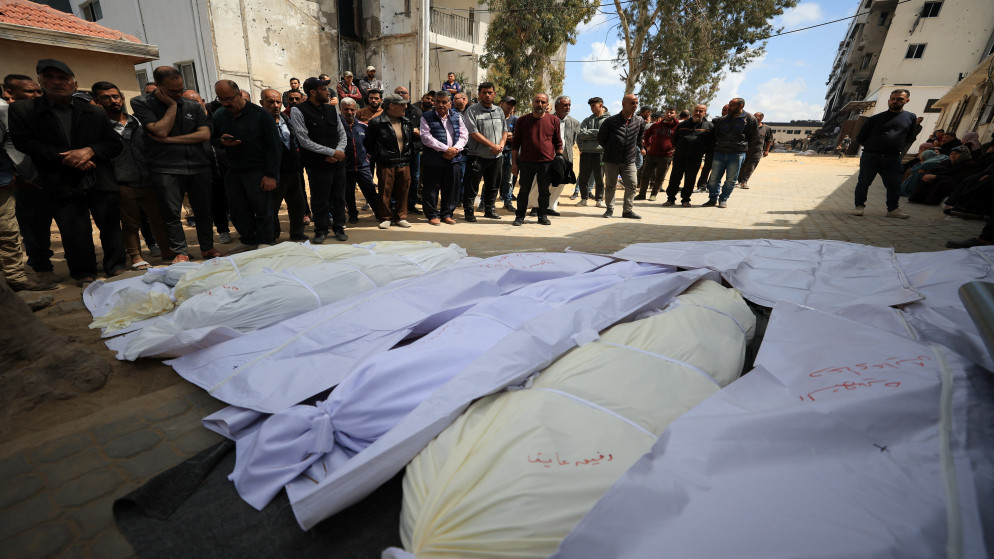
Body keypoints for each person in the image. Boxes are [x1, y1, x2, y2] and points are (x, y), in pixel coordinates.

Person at [9, 59, 126, 285]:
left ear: (75, 84)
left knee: (110, 225)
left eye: (63, 78)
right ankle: (84, 272)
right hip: (60, 179)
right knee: (74, 229)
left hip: (98, 178)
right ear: (41, 81)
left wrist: (90, 151)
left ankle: (116, 265)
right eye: (49, 77)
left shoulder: (94, 112)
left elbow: (114, 144)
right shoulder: (24, 110)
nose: (57, 82)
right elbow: (24, 143)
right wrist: (68, 158)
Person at [131, 66, 221, 262]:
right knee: (171, 213)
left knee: (204, 211)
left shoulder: (193, 106)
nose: (178, 94)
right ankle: (181, 251)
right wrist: (171, 106)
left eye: (181, 89)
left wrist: (171, 140)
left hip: (198, 166)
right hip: (166, 168)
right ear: (158, 86)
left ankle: (207, 248)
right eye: (173, 91)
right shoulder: (143, 103)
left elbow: (204, 134)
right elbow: (160, 130)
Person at [92, 81, 172, 270]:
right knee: (130, 223)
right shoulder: (98, 127)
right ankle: (135, 256)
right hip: (122, 182)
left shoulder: (138, 122)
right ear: (97, 102)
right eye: (106, 98)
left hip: (148, 179)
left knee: (158, 219)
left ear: (122, 98)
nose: (113, 101)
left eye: (115, 96)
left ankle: (167, 251)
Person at [212, 80, 281, 248]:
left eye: (229, 99)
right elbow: (211, 137)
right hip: (233, 171)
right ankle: (248, 240)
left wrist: (270, 175)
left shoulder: (261, 115)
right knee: (238, 210)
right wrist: (221, 142)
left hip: (259, 171)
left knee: (263, 209)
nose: (225, 103)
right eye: (221, 99)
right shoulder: (220, 115)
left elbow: (274, 147)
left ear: (239, 95)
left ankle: (265, 242)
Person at [0, 85, 56, 291]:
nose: (37, 95)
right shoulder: (4, 111)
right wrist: (15, 176)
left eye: (39, 91)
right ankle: (38, 268)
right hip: (23, 182)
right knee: (27, 229)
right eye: (31, 91)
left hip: (49, 179)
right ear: (10, 93)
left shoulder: (43, 113)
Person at [290, 76, 348, 243]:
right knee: (320, 198)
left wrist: (338, 152)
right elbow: (304, 140)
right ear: (313, 92)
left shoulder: (331, 109)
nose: (328, 92)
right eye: (323, 89)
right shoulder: (298, 111)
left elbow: (342, 134)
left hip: (337, 163)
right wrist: (331, 152)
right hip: (317, 165)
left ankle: (339, 227)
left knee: (339, 197)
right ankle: (321, 230)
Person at [851, 89, 919, 218]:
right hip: (871, 156)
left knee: (894, 184)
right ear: (889, 100)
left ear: (907, 101)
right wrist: (874, 147)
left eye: (899, 99)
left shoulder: (910, 117)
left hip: (892, 158)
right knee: (864, 182)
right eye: (893, 99)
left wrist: (896, 147)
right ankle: (859, 206)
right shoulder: (875, 119)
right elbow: (860, 137)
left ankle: (892, 210)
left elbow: (910, 136)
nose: (895, 101)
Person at [259, 88, 307, 241]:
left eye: (278, 102)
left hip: (292, 170)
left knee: (298, 204)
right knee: (272, 206)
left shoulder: (285, 119)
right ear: (262, 103)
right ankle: (272, 235)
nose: (275, 105)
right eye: (271, 102)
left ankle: (297, 232)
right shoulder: (259, 122)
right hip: (274, 173)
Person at [510, 93, 563, 226]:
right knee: (524, 191)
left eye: (543, 102)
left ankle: (542, 216)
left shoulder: (554, 120)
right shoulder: (522, 120)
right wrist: (514, 163)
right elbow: (515, 144)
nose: (540, 104)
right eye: (537, 101)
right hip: (526, 162)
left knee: (544, 191)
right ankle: (520, 216)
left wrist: (559, 159)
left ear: (547, 104)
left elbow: (558, 142)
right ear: (533, 103)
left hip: (546, 163)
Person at [365, 92, 414, 229]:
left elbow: (410, 141)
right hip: (386, 163)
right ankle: (385, 217)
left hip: (404, 161)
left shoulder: (406, 121)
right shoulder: (376, 122)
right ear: (391, 106)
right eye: (401, 105)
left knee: (403, 191)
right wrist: (379, 156)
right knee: (385, 191)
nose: (405, 107)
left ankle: (400, 217)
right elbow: (368, 143)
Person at [461, 82, 507, 222]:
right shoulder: (472, 110)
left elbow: (505, 130)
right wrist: (492, 145)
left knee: (493, 185)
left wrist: (500, 145)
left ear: (494, 94)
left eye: (490, 92)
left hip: (496, 156)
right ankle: (469, 211)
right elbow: (473, 133)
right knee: (472, 185)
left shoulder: (499, 111)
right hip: (477, 156)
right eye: (484, 93)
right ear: (479, 94)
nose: (487, 95)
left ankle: (489, 209)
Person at [419, 91, 467, 225]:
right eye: (438, 102)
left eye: (444, 102)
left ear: (450, 104)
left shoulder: (457, 116)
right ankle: (432, 215)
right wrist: (446, 149)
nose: (441, 105)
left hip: (454, 158)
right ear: (434, 103)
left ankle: (447, 214)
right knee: (431, 188)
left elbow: (464, 135)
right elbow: (426, 137)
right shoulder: (426, 116)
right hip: (433, 158)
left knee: (451, 188)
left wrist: (455, 149)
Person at [703, 97, 758, 209]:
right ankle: (712, 199)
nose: (729, 107)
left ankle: (723, 199)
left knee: (731, 180)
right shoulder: (722, 120)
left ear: (741, 106)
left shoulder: (750, 119)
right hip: (720, 152)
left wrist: (744, 150)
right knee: (713, 178)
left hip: (737, 154)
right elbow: (715, 134)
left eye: (732, 105)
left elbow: (754, 137)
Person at [597, 94, 645, 219]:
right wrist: (611, 148)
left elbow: (640, 138)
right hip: (611, 160)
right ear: (624, 104)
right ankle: (609, 209)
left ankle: (627, 211)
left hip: (629, 160)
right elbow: (601, 138)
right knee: (610, 185)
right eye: (632, 103)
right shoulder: (610, 121)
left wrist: (642, 148)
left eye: (636, 103)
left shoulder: (639, 121)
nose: (635, 105)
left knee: (632, 184)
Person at [530, 95, 578, 215]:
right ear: (556, 107)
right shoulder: (547, 119)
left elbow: (573, 140)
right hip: (546, 155)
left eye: (569, 105)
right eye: (564, 105)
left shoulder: (575, 122)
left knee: (560, 182)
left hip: (564, 157)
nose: (567, 107)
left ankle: (550, 207)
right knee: (540, 180)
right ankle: (535, 206)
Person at [339, 97, 380, 223]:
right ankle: (353, 215)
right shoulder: (337, 127)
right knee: (348, 193)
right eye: (346, 109)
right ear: (341, 109)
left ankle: (379, 214)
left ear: (356, 110)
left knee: (370, 190)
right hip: (345, 167)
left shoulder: (363, 127)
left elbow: (373, 143)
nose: (349, 112)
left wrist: (369, 155)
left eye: (352, 109)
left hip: (363, 166)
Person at [663, 103, 713, 207]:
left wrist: (702, 150)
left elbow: (711, 142)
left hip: (695, 158)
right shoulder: (682, 124)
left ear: (705, 113)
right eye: (696, 110)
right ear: (692, 111)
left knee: (690, 180)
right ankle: (670, 199)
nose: (697, 113)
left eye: (700, 111)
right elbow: (675, 139)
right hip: (679, 156)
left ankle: (685, 200)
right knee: (674, 178)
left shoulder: (709, 126)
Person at [636, 106, 678, 201]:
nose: (669, 114)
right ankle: (642, 194)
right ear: (665, 113)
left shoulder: (678, 126)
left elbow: (681, 139)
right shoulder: (656, 125)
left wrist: (676, 148)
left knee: (659, 177)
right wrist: (648, 145)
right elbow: (646, 135)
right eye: (667, 112)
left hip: (666, 156)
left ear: (675, 114)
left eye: (671, 112)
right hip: (651, 154)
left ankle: (653, 194)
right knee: (645, 176)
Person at [394, 86, 424, 216]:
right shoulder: (390, 110)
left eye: (403, 92)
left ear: (409, 96)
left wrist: (418, 132)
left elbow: (422, 130)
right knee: (397, 178)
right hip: (397, 151)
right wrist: (412, 131)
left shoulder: (417, 111)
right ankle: (395, 204)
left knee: (414, 178)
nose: (401, 94)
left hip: (414, 149)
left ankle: (411, 204)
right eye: (398, 92)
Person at [575, 96, 609, 207]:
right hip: (586, 153)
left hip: (601, 153)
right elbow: (581, 134)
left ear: (601, 105)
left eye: (594, 105)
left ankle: (599, 200)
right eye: (591, 106)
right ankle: (584, 199)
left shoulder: (609, 120)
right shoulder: (587, 120)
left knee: (599, 178)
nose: (592, 108)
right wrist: (599, 133)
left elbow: (607, 134)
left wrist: (590, 133)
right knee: (583, 177)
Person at [736, 111, 773, 189]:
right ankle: (739, 181)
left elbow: (769, 140)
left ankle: (744, 182)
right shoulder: (748, 126)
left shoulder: (767, 128)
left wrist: (767, 150)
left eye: (756, 116)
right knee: (742, 166)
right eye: (754, 116)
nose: (754, 117)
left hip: (757, 151)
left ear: (761, 118)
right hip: (745, 149)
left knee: (751, 167)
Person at [696, 104, 728, 192]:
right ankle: (701, 186)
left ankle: (711, 186)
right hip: (712, 148)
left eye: (727, 110)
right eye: (723, 110)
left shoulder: (735, 123)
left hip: (725, 150)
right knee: (707, 167)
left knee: (717, 170)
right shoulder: (715, 121)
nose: (724, 112)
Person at [499, 96, 518, 211]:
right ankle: (484, 202)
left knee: (508, 180)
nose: (510, 106)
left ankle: (508, 201)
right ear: (501, 104)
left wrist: (508, 136)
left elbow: (518, 137)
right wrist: (506, 135)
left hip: (509, 153)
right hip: (496, 152)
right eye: (508, 103)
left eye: (512, 104)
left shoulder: (515, 119)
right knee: (492, 179)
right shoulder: (495, 117)